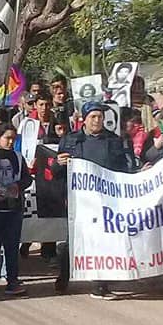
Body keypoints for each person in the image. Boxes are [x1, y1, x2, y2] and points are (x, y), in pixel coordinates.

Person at [54, 102, 130, 299]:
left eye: (100, 117)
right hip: (78, 201)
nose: (97, 121)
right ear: (84, 119)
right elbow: (56, 173)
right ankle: (64, 277)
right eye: (93, 117)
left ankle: (100, 285)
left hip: (106, 200)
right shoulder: (70, 140)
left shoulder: (113, 141)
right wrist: (58, 164)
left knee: (103, 241)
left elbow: (124, 169)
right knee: (74, 241)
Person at [0, 124, 32, 296]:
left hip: (13, 209)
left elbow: (27, 179)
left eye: (13, 138)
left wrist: (17, 186)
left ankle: (12, 280)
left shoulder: (18, 158)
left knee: (12, 247)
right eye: (7, 138)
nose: (10, 142)